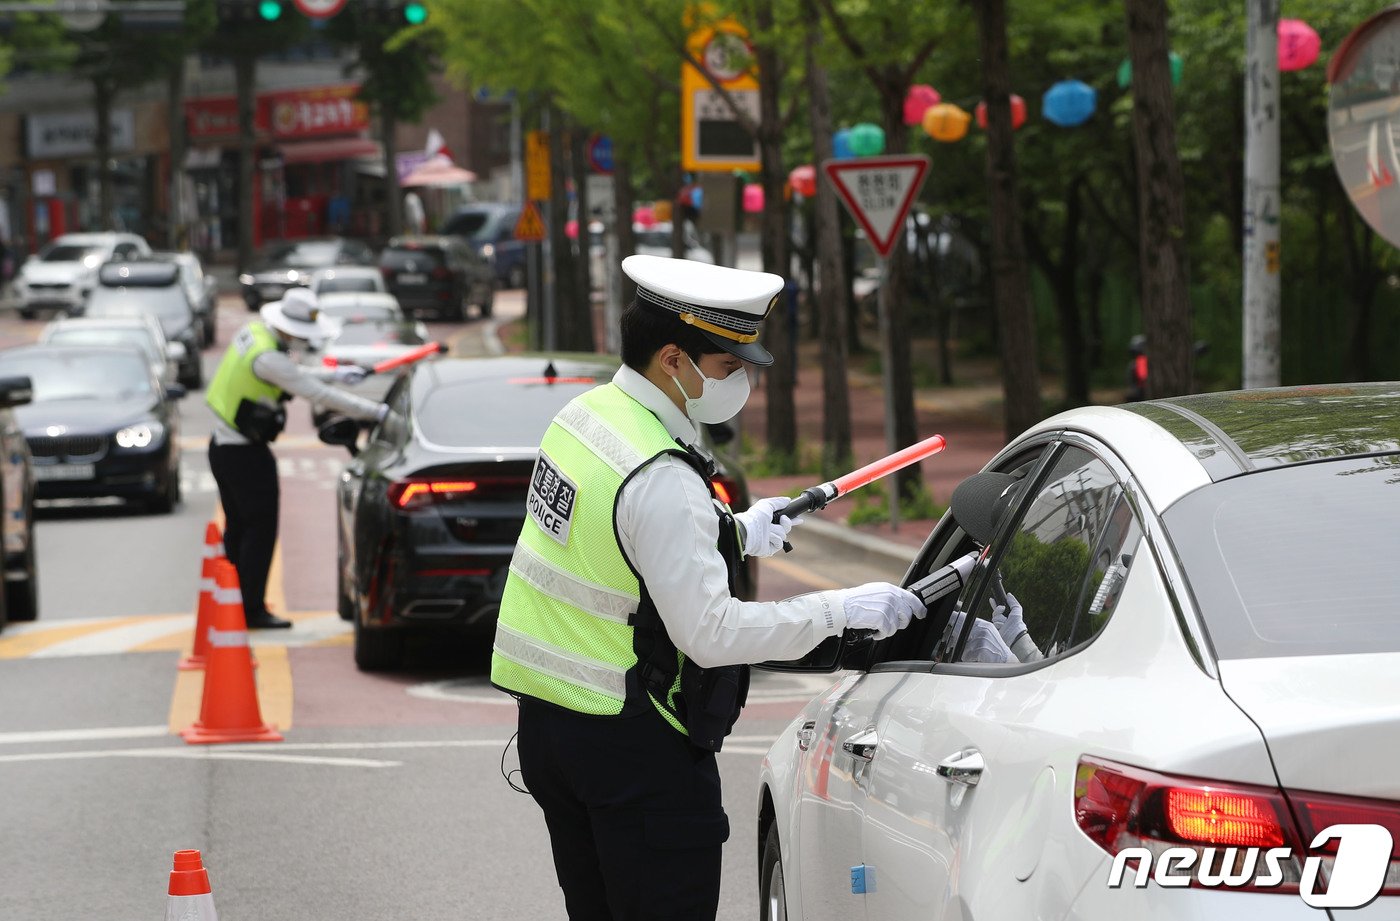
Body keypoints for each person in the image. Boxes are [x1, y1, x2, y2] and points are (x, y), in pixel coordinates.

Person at [490, 254, 926, 921]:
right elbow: (711, 632)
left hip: (552, 728)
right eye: (729, 367)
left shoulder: (585, 418)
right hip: (633, 746)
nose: (741, 382)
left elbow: (611, 540)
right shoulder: (661, 476)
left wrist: (734, 530)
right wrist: (839, 608)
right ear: (673, 360)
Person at [205, 287, 388, 629]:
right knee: (259, 530)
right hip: (244, 454)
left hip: (224, 446)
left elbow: (293, 374)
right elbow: (310, 390)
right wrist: (376, 412)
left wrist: (338, 373)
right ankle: (252, 608)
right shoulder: (267, 357)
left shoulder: (254, 335)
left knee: (240, 529)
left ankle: (233, 601)